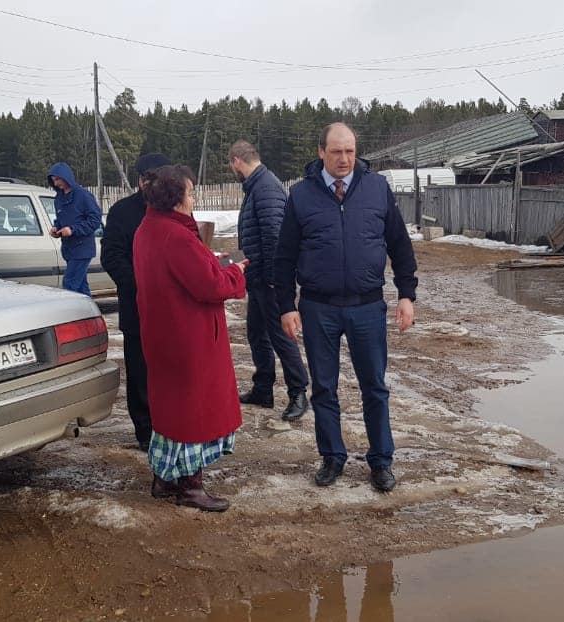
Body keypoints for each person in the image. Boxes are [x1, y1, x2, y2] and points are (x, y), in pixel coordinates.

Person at [274, 122, 418, 493]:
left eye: (350, 151)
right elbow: (285, 256)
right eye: (336, 152)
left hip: (368, 307)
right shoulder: (301, 196)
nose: (344, 159)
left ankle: (381, 461)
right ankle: (332, 456)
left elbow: (400, 246)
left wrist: (406, 294)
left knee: (375, 387)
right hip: (318, 308)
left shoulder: (377, 189)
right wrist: (286, 306)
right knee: (324, 388)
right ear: (321, 152)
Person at [133, 164, 248, 511]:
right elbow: (210, 285)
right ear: (177, 199)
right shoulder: (177, 236)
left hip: (164, 335)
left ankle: (164, 478)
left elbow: (188, 273)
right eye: (191, 192)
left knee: (170, 413)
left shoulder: (148, 229)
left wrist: (214, 265)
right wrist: (236, 271)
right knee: (193, 414)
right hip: (189, 340)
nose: (194, 197)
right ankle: (190, 487)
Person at [229, 140, 309, 422]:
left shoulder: (265, 188)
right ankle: (263, 388)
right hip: (258, 278)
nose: (232, 170)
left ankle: (298, 392)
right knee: (256, 334)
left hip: (270, 280)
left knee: (280, 337)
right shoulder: (256, 187)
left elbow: (276, 237)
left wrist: (276, 281)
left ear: (237, 161)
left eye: (231, 165)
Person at [101, 153, 171, 450]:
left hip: (171, 311)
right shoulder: (123, 212)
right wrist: (138, 284)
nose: (148, 183)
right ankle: (145, 430)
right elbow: (111, 256)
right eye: (144, 178)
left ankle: (170, 424)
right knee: (140, 371)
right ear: (139, 181)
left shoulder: (173, 208)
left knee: (169, 370)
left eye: (154, 178)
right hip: (137, 307)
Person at [46, 162, 101, 297]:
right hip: (69, 249)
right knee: (81, 286)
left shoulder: (83, 196)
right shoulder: (59, 198)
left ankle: (73, 313)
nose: (56, 183)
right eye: (53, 180)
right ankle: (89, 313)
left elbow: (95, 219)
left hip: (82, 249)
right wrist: (56, 227)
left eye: (58, 179)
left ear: (66, 177)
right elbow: (60, 218)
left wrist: (73, 230)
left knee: (70, 283)